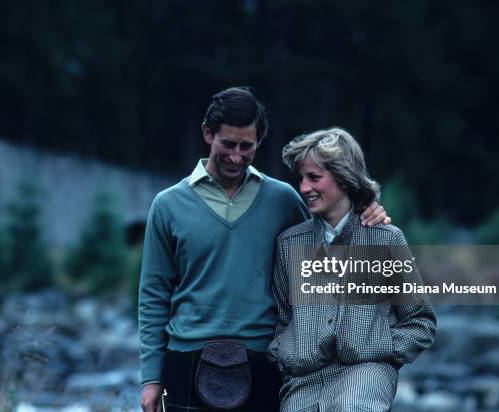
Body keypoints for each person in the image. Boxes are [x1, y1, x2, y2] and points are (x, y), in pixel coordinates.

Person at [138, 88, 390, 412]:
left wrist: (367, 211)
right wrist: (150, 379)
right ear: (207, 133)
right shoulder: (168, 205)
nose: (236, 155)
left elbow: (330, 243)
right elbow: (154, 295)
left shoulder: (283, 200)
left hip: (263, 363)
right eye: (227, 144)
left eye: (247, 146)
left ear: (260, 141)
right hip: (185, 360)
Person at [267, 127, 437, 411]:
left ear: (344, 178)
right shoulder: (289, 243)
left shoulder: (386, 239)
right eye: (301, 178)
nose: (304, 188)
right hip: (302, 381)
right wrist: (285, 352)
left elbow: (421, 323)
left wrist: (378, 346)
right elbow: (282, 321)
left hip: (367, 375)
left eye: (314, 177)